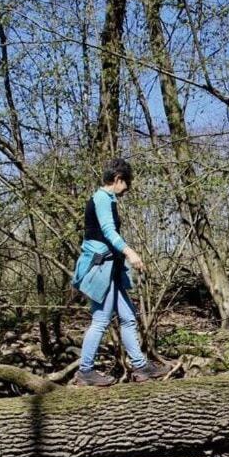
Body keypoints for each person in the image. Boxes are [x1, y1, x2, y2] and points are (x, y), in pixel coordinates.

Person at [72, 158, 165, 386]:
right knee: (101, 319)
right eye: (126, 184)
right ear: (117, 179)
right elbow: (108, 231)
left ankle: (140, 367)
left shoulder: (108, 199)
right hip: (100, 268)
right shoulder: (102, 198)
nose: (127, 189)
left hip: (110, 268)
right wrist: (130, 253)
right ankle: (85, 371)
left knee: (128, 318)